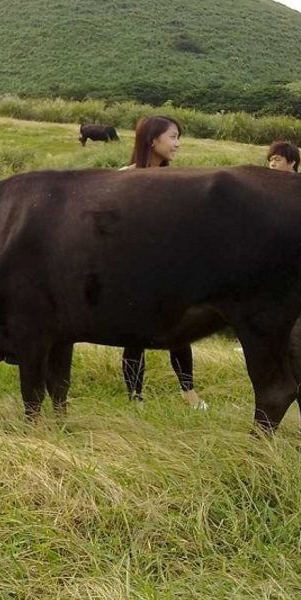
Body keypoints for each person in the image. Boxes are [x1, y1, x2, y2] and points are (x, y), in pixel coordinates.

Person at [119, 115, 205, 409]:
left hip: (170, 270)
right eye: (173, 136)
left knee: (178, 332)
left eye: (178, 137)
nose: (177, 144)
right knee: (134, 335)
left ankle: (190, 394)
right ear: (151, 140)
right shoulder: (124, 178)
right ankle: (135, 398)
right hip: (133, 271)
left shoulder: (177, 182)